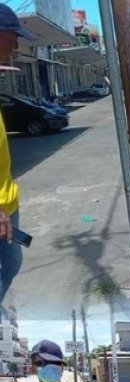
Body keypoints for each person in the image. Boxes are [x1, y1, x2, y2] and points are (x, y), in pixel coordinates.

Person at [0, 5, 34, 306]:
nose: (15, 46)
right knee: (6, 268)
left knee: (11, 264)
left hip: (8, 205)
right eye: (13, 37)